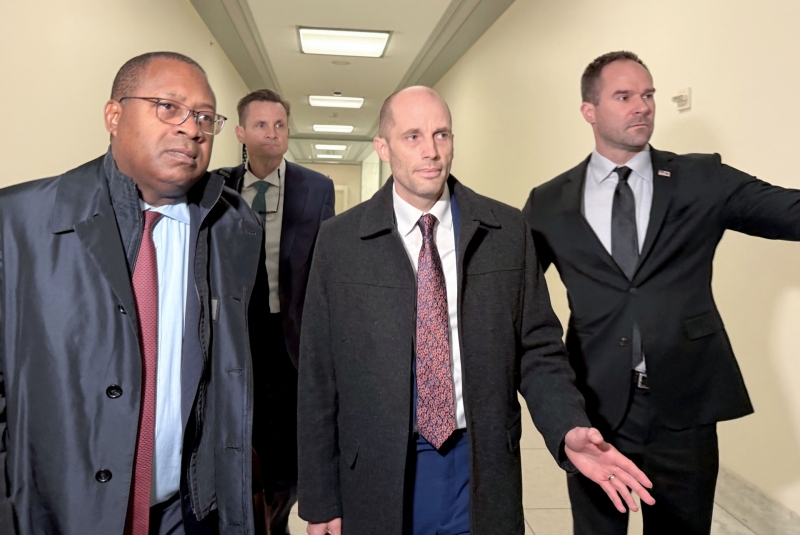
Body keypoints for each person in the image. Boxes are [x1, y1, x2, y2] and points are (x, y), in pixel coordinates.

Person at [297, 86, 654, 535]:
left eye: (441, 134)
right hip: (378, 472)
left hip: (481, 467)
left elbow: (539, 350)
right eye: (412, 136)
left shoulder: (506, 232)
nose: (431, 151)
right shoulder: (340, 242)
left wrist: (568, 427)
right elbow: (318, 375)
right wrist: (320, 499)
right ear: (383, 148)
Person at [522, 51, 800, 534]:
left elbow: (790, 211)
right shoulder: (549, 201)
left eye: (648, 94)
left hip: (684, 407)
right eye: (623, 96)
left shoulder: (701, 178)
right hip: (595, 406)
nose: (642, 106)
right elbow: (514, 290)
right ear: (589, 110)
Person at [0, 51, 271, 534]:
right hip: (57, 515)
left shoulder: (235, 229)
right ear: (114, 115)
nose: (191, 129)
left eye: (204, 117)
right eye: (168, 107)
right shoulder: (18, 223)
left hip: (185, 514)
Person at [211, 88, 335, 535]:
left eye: (280, 124)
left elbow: (324, 263)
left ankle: (278, 514)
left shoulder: (316, 187)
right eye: (261, 124)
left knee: (285, 437)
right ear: (241, 132)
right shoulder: (216, 187)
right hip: (234, 333)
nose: (272, 133)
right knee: (242, 430)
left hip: (290, 334)